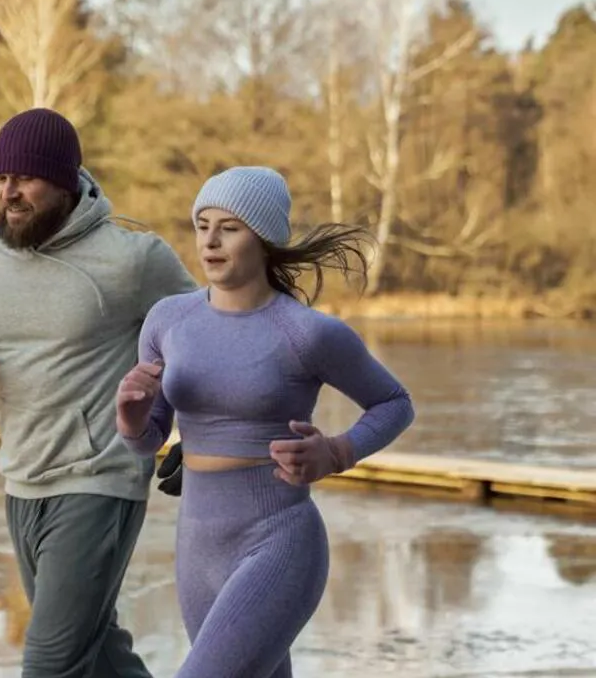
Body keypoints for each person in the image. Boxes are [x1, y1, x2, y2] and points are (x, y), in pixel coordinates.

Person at [0, 107, 199, 678]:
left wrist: (195, 436)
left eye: (24, 178)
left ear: (66, 180)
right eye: (0, 179)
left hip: (100, 479)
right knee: (98, 657)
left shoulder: (132, 260)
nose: (9, 192)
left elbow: (206, 343)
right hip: (21, 476)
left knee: (51, 664)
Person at [115, 166, 415, 678]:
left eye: (228, 227)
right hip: (198, 543)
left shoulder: (307, 333)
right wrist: (131, 417)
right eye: (202, 224)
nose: (209, 239)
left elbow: (394, 402)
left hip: (280, 539)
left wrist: (337, 452)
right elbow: (150, 441)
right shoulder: (168, 320)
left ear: (264, 238)